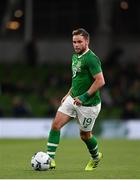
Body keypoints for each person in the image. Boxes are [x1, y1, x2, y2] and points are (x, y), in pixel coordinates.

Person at [47, 28, 105, 171]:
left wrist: (84, 97)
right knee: (55, 125)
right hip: (73, 99)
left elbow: (100, 81)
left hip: (89, 105)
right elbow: (77, 80)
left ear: (87, 41)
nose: (76, 44)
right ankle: (50, 159)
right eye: (74, 42)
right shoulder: (75, 57)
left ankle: (96, 156)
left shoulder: (91, 58)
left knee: (85, 136)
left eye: (79, 41)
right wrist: (69, 93)